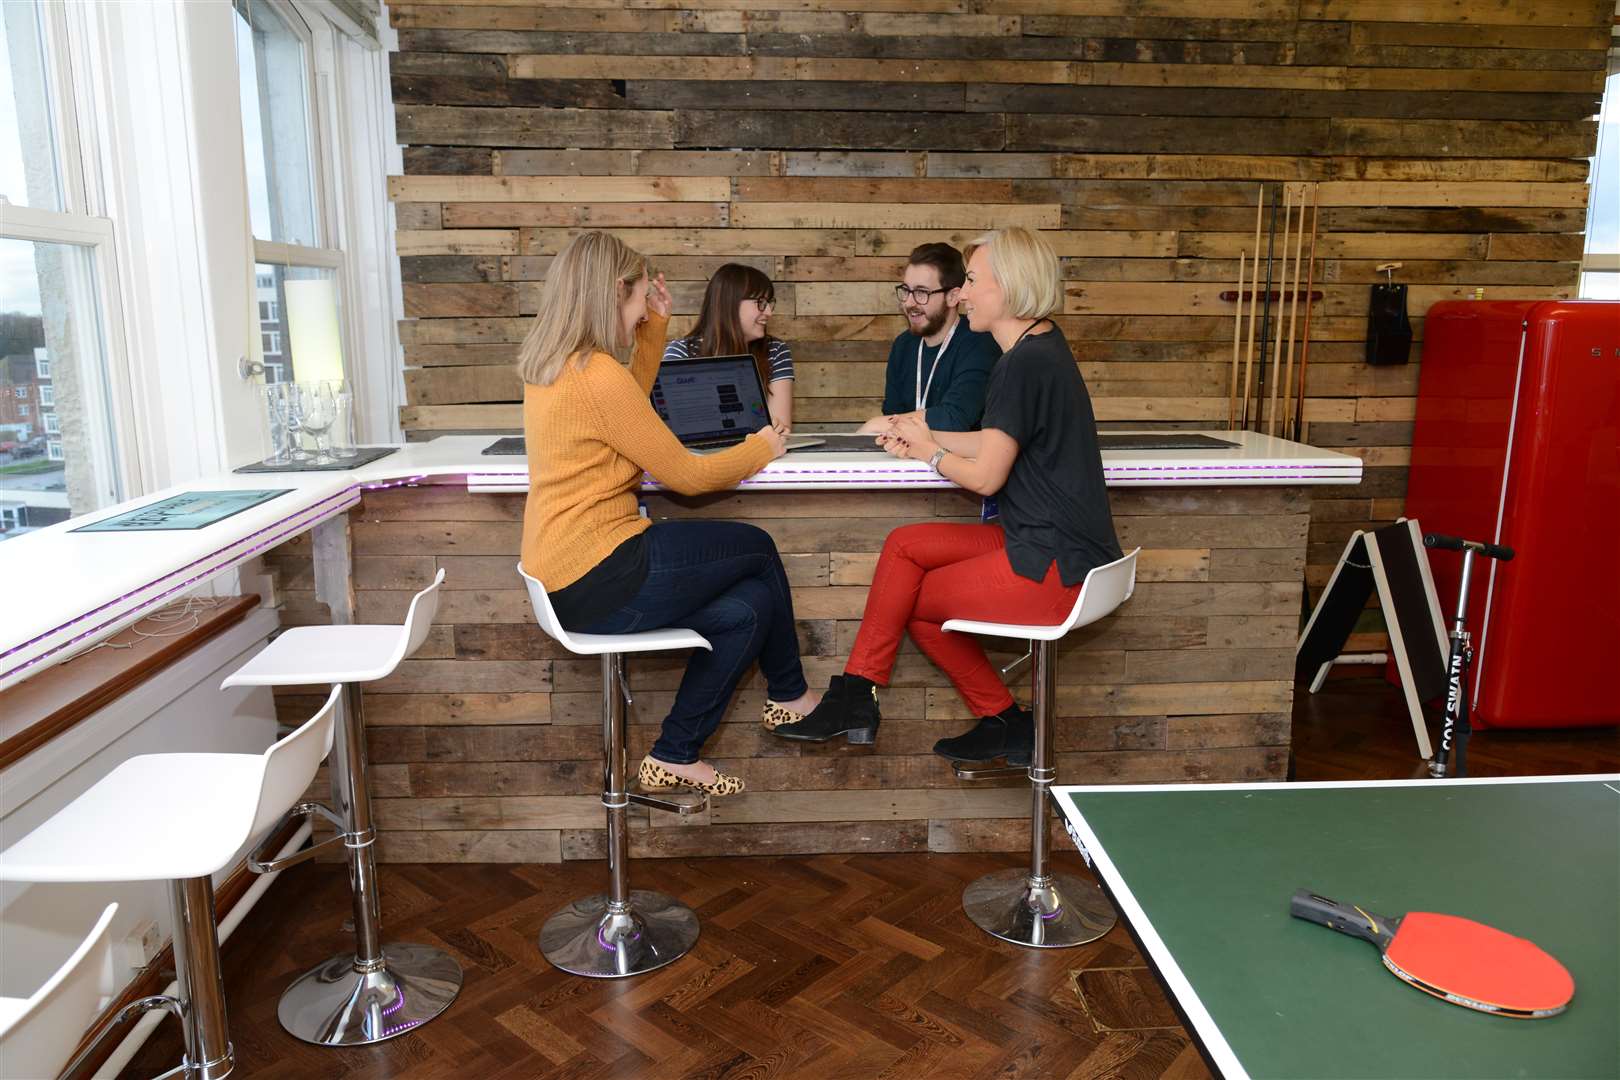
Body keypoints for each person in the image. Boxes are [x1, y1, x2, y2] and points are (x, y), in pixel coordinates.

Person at [771, 226, 1122, 765]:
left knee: (912, 600)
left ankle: (864, 698)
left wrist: (929, 455)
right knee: (906, 546)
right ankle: (978, 718)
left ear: (1007, 286)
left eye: (971, 281)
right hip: (1046, 545)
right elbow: (997, 438)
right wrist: (924, 434)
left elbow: (985, 477)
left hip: (1054, 567)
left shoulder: (1021, 364)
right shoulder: (1037, 347)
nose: (960, 294)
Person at [518, 232, 820, 797]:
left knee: (750, 609)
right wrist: (763, 445)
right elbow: (688, 477)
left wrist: (654, 327)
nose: (640, 311)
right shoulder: (597, 375)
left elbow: (627, 400)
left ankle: (675, 753)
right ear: (615, 292)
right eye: (638, 298)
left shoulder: (558, 366)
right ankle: (790, 696)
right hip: (600, 568)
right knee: (757, 546)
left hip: (568, 574)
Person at [857, 242, 999, 435]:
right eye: (906, 290)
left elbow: (955, 418)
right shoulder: (903, 345)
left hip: (961, 462)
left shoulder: (980, 342)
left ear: (953, 297)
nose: (908, 302)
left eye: (921, 293)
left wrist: (877, 424)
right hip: (907, 460)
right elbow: (892, 416)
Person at [664, 263, 794, 430]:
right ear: (730, 303)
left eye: (769, 303)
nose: (769, 312)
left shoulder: (775, 351)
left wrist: (775, 428)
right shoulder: (681, 352)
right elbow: (677, 427)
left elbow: (781, 429)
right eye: (760, 302)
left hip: (760, 453)